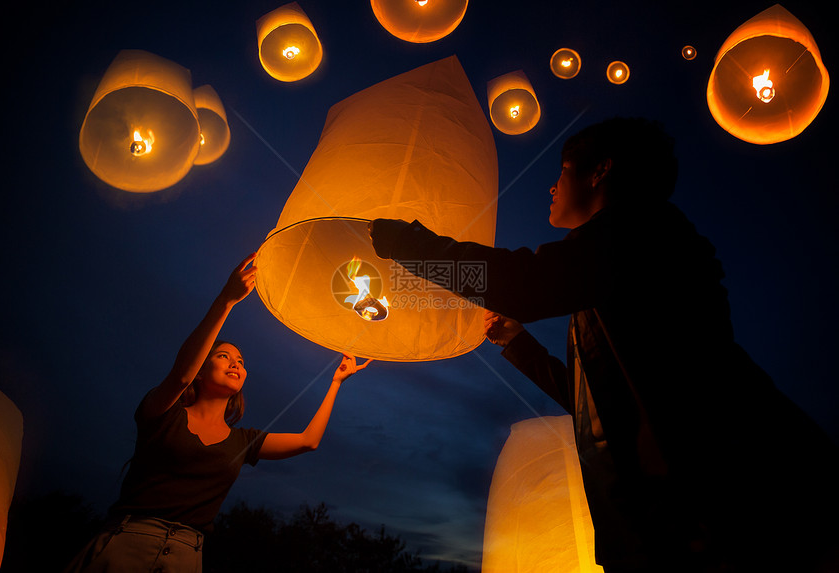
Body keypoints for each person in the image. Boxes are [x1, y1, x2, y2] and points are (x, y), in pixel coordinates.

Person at [369, 117, 839, 572]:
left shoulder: (638, 233)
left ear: (601, 170)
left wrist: (405, 243)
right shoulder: (614, 267)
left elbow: (519, 282)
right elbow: (594, 408)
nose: (552, 187)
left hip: (725, 501)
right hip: (668, 517)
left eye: (562, 172)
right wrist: (519, 342)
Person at [65, 253, 371, 572]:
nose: (235, 363)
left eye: (240, 361)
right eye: (223, 356)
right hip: (125, 543)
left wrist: (337, 382)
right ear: (200, 369)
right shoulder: (162, 413)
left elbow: (309, 441)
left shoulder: (243, 441)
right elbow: (181, 375)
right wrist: (226, 300)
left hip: (186, 556)